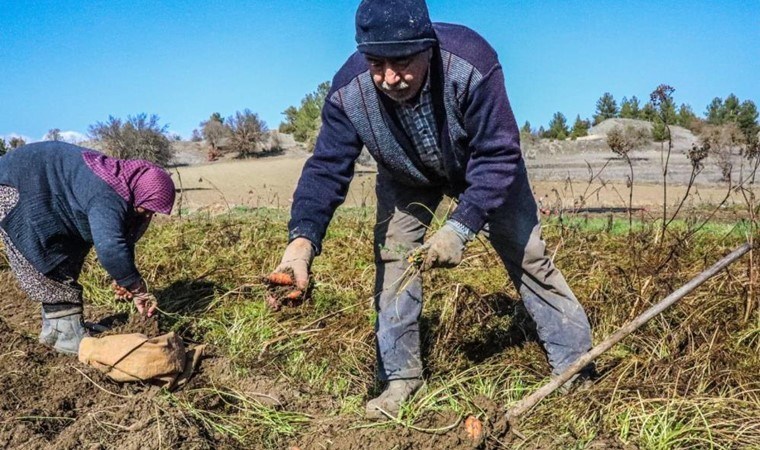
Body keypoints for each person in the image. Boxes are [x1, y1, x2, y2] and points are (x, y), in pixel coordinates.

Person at [270, 0, 593, 419]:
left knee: (527, 253)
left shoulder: (471, 62)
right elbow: (326, 168)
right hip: (405, 177)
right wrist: (300, 246)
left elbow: (498, 153)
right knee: (394, 259)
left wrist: (460, 228)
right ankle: (401, 378)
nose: (389, 78)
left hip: (483, 167)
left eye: (401, 61)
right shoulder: (349, 92)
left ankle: (575, 367)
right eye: (376, 63)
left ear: (428, 47)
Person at [0, 141, 175, 355]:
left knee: (68, 254)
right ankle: (65, 336)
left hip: (42, 183)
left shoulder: (123, 185)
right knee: (45, 257)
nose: (147, 215)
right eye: (146, 208)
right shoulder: (107, 194)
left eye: (152, 212)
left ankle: (54, 330)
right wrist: (137, 288)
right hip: (17, 184)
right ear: (141, 192)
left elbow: (121, 236)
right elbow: (110, 246)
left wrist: (123, 278)